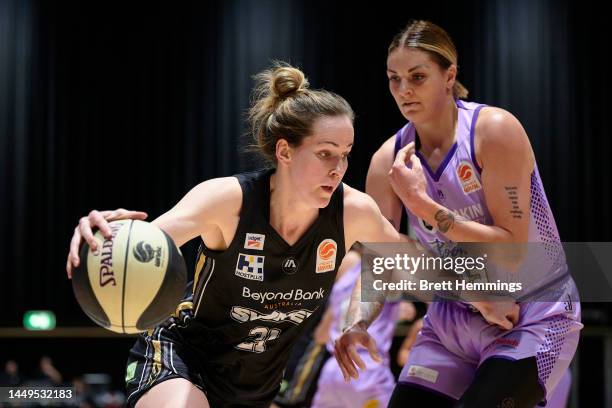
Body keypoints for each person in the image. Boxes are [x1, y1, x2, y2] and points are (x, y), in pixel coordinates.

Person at [65, 62, 409, 408]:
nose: (338, 168)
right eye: (325, 153)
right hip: (183, 360)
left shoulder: (353, 211)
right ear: (285, 151)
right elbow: (147, 243)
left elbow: (402, 261)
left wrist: (358, 320)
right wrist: (111, 237)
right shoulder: (228, 200)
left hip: (254, 389)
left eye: (345, 155)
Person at [334, 20, 582, 407]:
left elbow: (514, 251)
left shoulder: (493, 130)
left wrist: (424, 207)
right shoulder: (387, 160)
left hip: (532, 311)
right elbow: (379, 258)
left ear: (449, 75)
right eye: (393, 79)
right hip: (452, 319)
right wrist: (357, 321)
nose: (404, 90)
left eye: (417, 76)